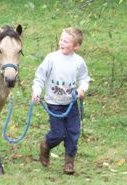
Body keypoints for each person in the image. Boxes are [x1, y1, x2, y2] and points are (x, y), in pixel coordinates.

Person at [32, 27, 90, 175]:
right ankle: (46, 145)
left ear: (76, 46)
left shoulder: (79, 62)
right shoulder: (52, 58)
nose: (61, 43)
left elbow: (84, 78)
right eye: (61, 39)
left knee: (73, 133)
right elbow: (40, 77)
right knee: (58, 134)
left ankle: (69, 163)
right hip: (54, 103)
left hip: (71, 105)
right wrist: (36, 91)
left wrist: (82, 89)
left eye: (66, 41)